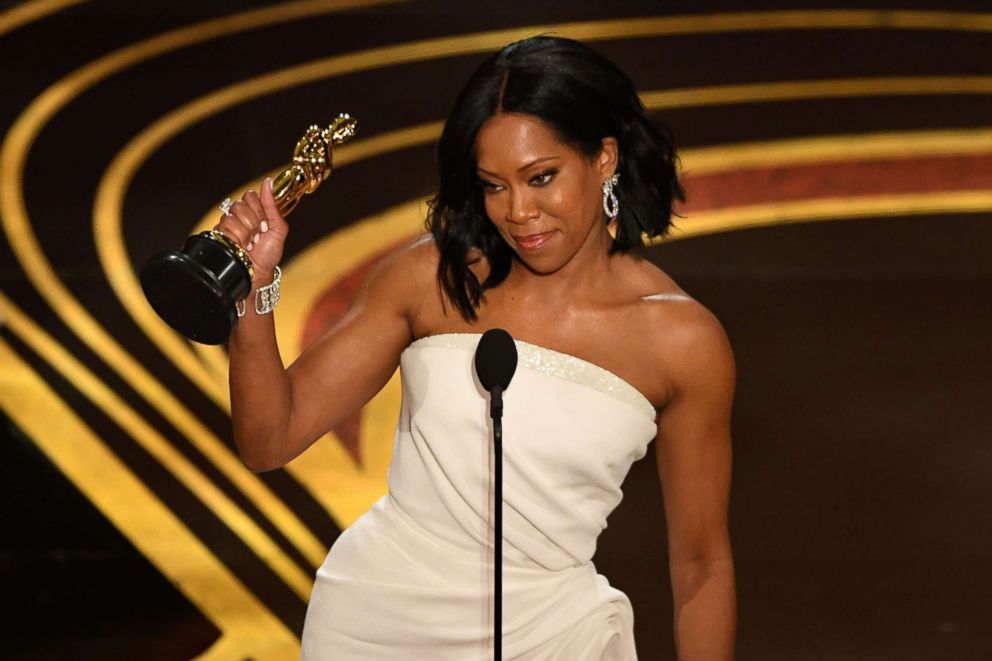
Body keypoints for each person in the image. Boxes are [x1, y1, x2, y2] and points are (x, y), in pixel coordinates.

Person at [218, 35, 735, 660]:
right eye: (494, 186)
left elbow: (702, 568)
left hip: (552, 639)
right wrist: (252, 291)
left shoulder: (683, 342)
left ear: (604, 158)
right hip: (376, 624)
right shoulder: (428, 277)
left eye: (541, 178)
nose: (520, 212)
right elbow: (270, 438)